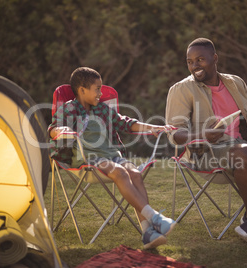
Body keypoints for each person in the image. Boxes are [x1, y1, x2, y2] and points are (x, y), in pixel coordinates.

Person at [165, 38, 247, 249]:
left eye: (200, 59)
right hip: (206, 153)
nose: (195, 66)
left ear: (215, 58)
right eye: (190, 61)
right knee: (244, 152)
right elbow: (175, 134)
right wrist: (203, 133)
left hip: (245, 147)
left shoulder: (235, 82)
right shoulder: (181, 89)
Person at [49, 67, 176, 249]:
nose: (101, 93)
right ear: (82, 90)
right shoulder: (70, 109)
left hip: (110, 155)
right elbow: (53, 127)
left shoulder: (102, 109)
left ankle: (148, 231)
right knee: (121, 173)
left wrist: (152, 127)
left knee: (134, 172)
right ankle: (155, 218)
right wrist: (60, 130)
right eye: (97, 89)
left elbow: (125, 123)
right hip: (88, 159)